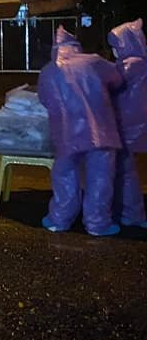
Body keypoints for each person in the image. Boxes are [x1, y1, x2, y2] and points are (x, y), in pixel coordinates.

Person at [37, 26, 123, 236]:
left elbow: (44, 100)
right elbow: (118, 79)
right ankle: (97, 224)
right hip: (100, 132)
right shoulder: (93, 61)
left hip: (66, 134)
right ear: (76, 47)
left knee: (65, 175)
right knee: (100, 178)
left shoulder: (47, 72)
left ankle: (59, 219)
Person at [107, 19, 147, 227]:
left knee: (124, 168)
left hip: (127, 123)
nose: (114, 50)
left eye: (116, 45)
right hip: (135, 122)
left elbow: (109, 83)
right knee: (125, 167)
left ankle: (131, 214)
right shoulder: (140, 62)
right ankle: (131, 213)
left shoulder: (129, 65)